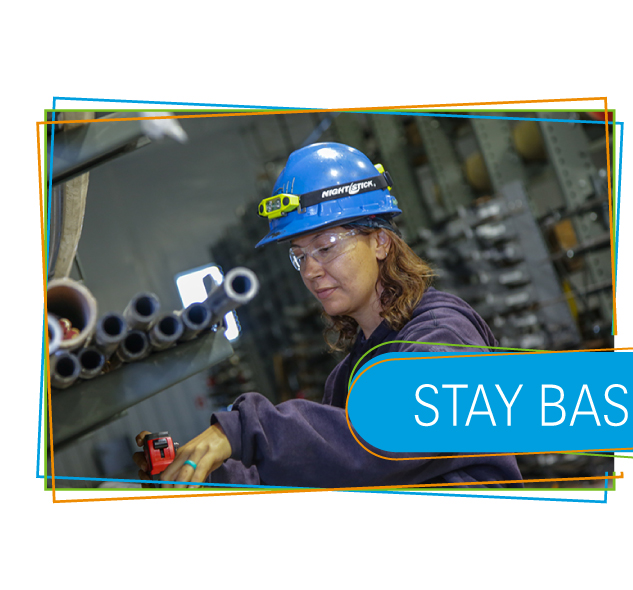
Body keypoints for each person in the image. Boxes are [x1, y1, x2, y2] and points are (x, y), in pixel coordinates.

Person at [134, 142, 522, 489]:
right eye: (299, 255)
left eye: (326, 246)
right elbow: (326, 472)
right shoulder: (349, 374)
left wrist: (246, 430)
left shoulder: (443, 331)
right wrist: (201, 471)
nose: (310, 270)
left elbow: (392, 426)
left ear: (381, 241)